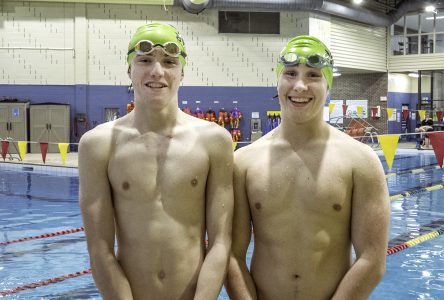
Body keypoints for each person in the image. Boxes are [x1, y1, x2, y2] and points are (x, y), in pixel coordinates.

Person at [225, 36, 390, 300]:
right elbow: (231, 255)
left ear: (328, 86)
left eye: (313, 75)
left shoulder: (361, 162)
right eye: (290, 74)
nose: (300, 86)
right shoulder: (243, 162)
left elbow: (372, 260)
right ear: (277, 81)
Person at [78, 23, 234, 300]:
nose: (157, 71)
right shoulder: (97, 145)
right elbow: (99, 249)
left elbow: (221, 243)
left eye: (169, 62)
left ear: (182, 71)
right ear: (130, 69)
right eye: (145, 60)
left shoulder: (215, 141)